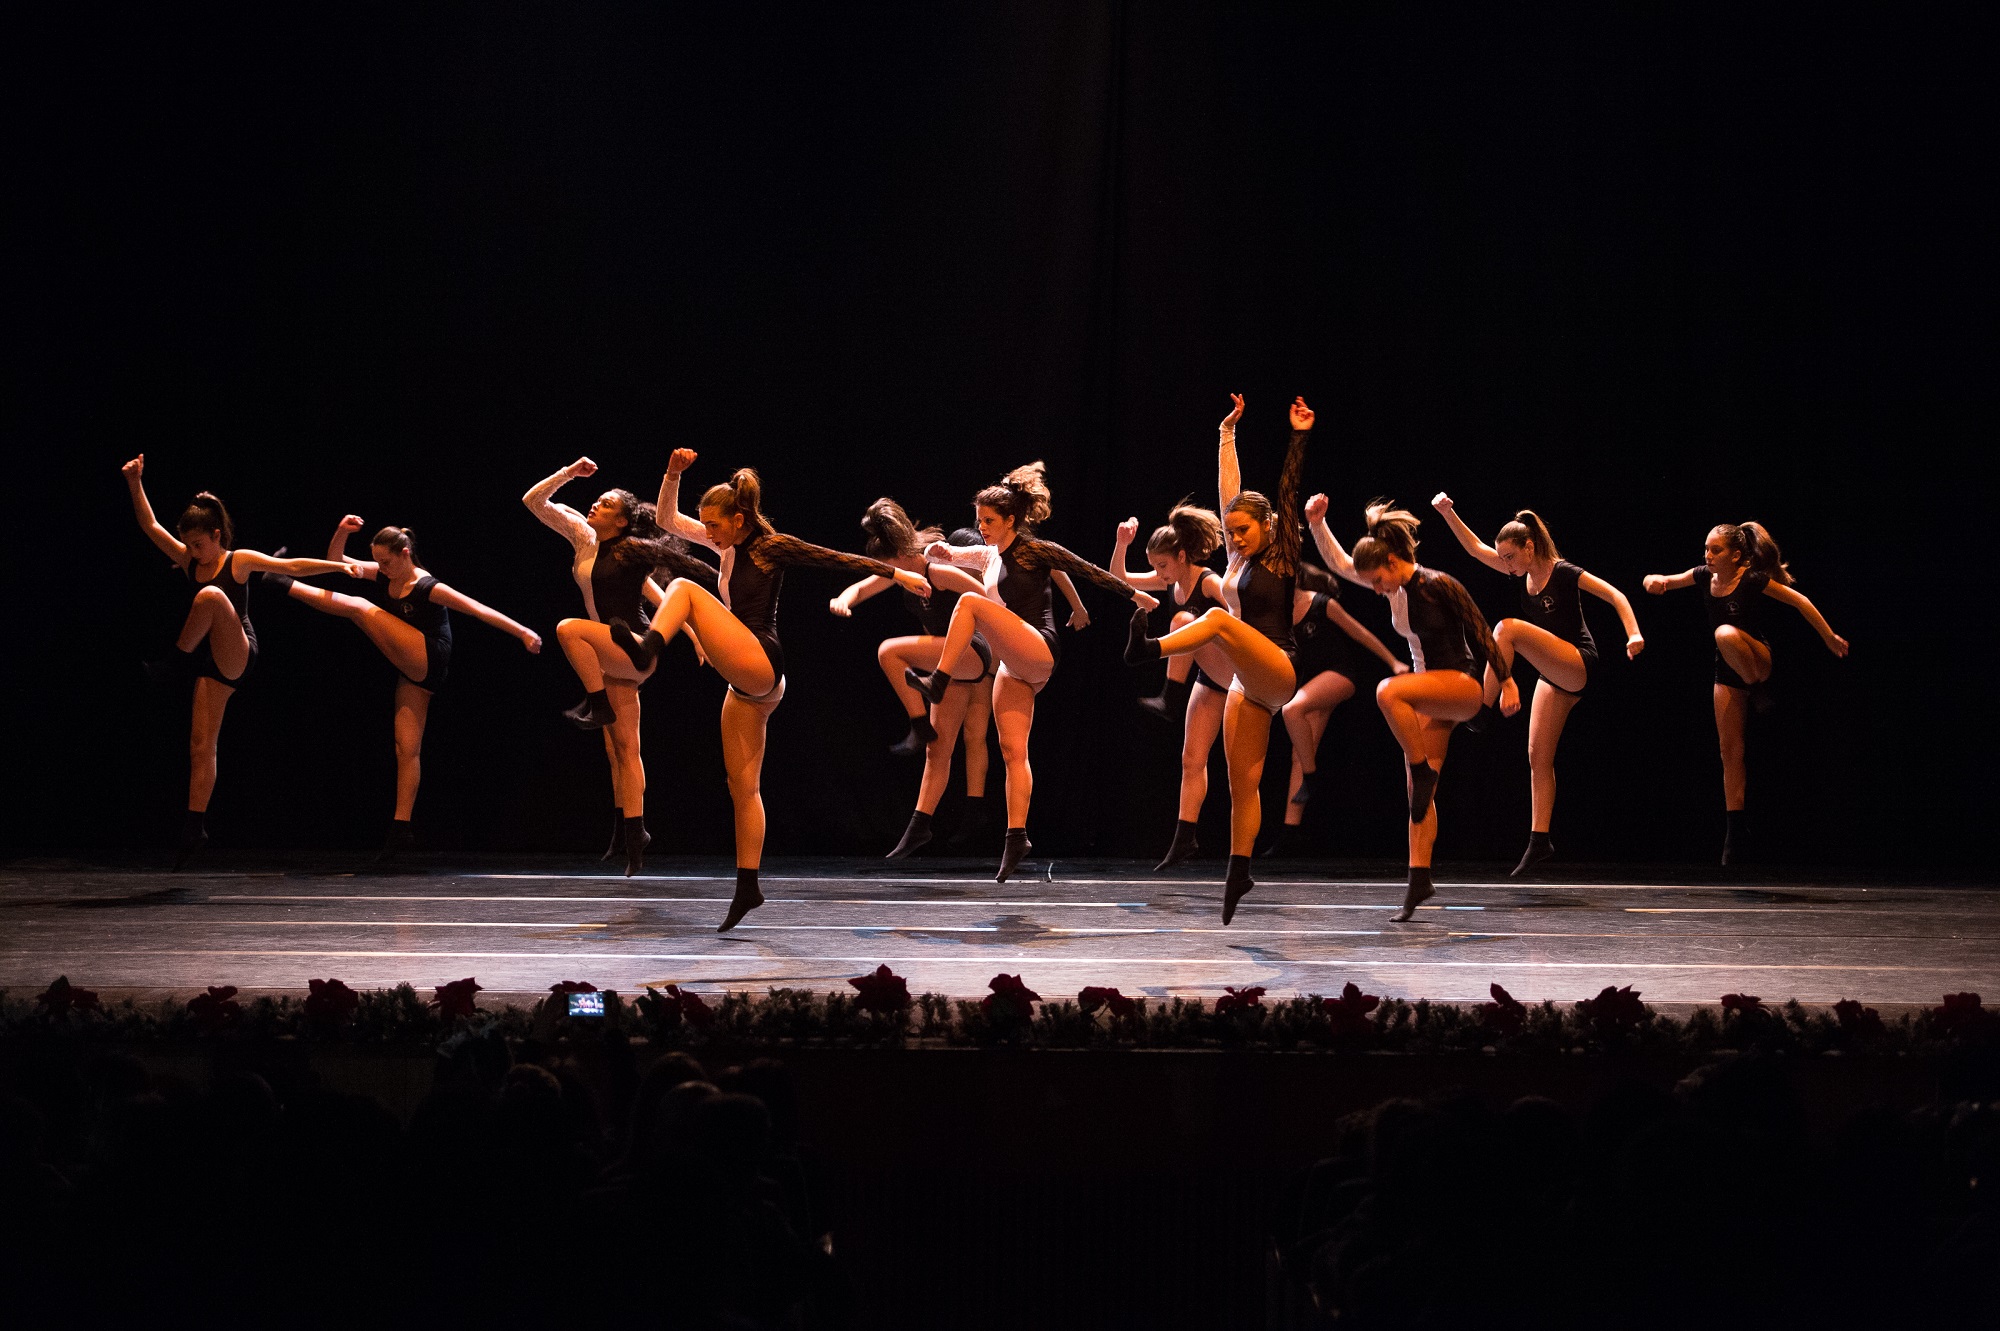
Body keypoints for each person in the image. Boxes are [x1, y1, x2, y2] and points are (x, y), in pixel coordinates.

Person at [608, 450, 933, 927]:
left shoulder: (769, 545)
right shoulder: (726, 541)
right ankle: (748, 886)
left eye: (714, 525)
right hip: (750, 683)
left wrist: (896, 572)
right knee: (742, 786)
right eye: (707, 525)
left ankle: (647, 648)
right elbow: (666, 520)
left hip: (760, 656)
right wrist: (672, 474)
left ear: (739, 520)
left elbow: (831, 557)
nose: (708, 533)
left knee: (682, 589)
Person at [906, 462, 1159, 882]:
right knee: (1012, 751)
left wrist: (1135, 595)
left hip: (1039, 647)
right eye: (978, 520)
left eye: (989, 521)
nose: (982, 527)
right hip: (1014, 664)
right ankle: (1016, 837)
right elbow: (949, 553)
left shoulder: (1036, 550)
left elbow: (1086, 570)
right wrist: (936, 552)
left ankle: (939, 681)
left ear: (1010, 520)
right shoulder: (988, 554)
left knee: (970, 605)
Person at [1124, 395, 1312, 922]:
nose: (1235, 538)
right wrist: (1226, 431)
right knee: (1240, 781)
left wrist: (1297, 437)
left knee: (1218, 621)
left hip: (1278, 666)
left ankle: (1150, 651)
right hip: (1245, 683)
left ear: (1269, 526)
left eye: (1245, 530)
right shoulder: (1236, 556)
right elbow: (1230, 490)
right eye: (1230, 533)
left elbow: (1287, 492)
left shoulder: (1281, 550)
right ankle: (1238, 870)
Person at [121, 454, 359, 867]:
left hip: (238, 651)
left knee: (211, 595)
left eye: (199, 544)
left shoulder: (238, 560)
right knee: (200, 746)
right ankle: (195, 829)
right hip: (210, 661)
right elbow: (150, 526)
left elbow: (289, 565)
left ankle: (174, 662)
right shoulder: (190, 560)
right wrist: (134, 481)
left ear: (217, 535)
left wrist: (338, 566)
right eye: (189, 546)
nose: (193, 552)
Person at [272, 516, 541, 860]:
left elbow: (477, 609)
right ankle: (402, 830)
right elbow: (338, 563)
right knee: (406, 748)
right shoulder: (386, 573)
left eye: (386, 561)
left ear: (405, 553)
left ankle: (281, 581)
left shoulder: (429, 586)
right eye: (378, 562)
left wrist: (522, 632)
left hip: (430, 655)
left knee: (360, 607)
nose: (381, 569)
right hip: (414, 669)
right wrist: (341, 531)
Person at [1309, 496, 1508, 921]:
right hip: (1428, 694)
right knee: (1419, 795)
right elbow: (1341, 564)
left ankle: (1420, 766)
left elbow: (1481, 630)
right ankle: (1419, 880)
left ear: (1396, 560)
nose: (1376, 589)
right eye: (1374, 583)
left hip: (1462, 686)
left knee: (1386, 691)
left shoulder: (1438, 583)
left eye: (1379, 580)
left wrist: (1505, 681)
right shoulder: (1392, 585)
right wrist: (1316, 523)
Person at [1430, 495, 1645, 875]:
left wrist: (1633, 634)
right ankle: (1539, 840)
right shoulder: (1521, 572)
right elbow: (1475, 549)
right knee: (1537, 757)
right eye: (1504, 559)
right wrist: (1448, 513)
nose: (1506, 565)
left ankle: (1479, 710)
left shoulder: (1563, 572)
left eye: (1510, 557)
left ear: (1530, 547)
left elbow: (1616, 595)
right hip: (1554, 673)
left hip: (1578, 661)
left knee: (1506, 629)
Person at [523, 457, 718, 875]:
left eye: (605, 504)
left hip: (632, 648)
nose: (594, 506)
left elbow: (681, 583)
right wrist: (567, 474)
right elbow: (534, 501)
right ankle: (632, 837)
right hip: (605, 654)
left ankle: (597, 704)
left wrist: (699, 631)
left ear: (624, 521)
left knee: (566, 628)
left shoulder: (633, 548)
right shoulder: (583, 538)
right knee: (622, 751)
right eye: (595, 501)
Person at [1644, 522, 1848, 864]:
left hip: (1757, 659)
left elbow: (1800, 601)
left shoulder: (1751, 579)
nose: (1707, 555)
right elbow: (1667, 580)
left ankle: (1757, 689)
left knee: (1724, 633)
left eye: (1716, 550)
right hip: (1727, 671)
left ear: (1736, 556)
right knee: (1730, 751)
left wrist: (1828, 637)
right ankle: (1735, 829)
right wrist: (1654, 581)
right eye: (1706, 549)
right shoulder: (1702, 576)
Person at [828, 505, 998, 856]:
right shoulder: (902, 571)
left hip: (970, 654)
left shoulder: (937, 573)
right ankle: (919, 828)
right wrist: (842, 599)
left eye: (894, 565)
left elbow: (989, 599)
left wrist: (1005, 646)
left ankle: (919, 724)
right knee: (939, 750)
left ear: (906, 554)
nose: (891, 573)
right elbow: (862, 586)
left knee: (889, 651)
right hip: (948, 668)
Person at [1109, 504, 1234, 869]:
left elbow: (1242, 616)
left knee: (1181, 620)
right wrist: (1122, 543)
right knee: (1191, 759)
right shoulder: (1173, 580)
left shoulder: (1209, 581)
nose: (1160, 575)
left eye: (1163, 566)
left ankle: (1170, 697)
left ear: (1182, 555)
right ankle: (1185, 838)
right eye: (1156, 568)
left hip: (1233, 667)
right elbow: (1120, 578)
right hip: (1209, 676)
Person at [1262, 564, 1408, 858]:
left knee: (1292, 710)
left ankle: (1312, 776)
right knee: (1299, 751)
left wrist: (1394, 663)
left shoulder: (1320, 603)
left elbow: (1361, 633)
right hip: (1313, 684)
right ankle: (1291, 832)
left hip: (1340, 676)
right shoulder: (1277, 616)